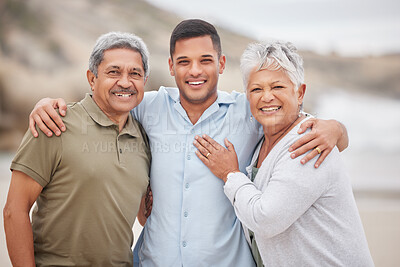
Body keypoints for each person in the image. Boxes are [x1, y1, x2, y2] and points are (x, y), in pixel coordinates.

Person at [28, 20, 349, 266]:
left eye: (205, 60)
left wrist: (337, 128)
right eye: (183, 62)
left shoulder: (248, 111)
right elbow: (104, 102)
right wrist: (47, 103)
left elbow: (290, 116)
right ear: (171, 67)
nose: (195, 71)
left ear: (221, 64)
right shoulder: (146, 107)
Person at [193, 41, 373, 266]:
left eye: (277, 87)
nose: (267, 97)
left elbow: (265, 219)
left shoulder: (309, 143)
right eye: (257, 89)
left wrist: (230, 173)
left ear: (300, 93)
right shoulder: (262, 139)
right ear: (247, 96)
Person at [3, 32, 152, 267]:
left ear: (144, 81)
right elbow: (14, 211)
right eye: (113, 72)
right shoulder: (53, 124)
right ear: (92, 79)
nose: (125, 82)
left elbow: (144, 215)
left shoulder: (143, 138)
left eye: (135, 73)